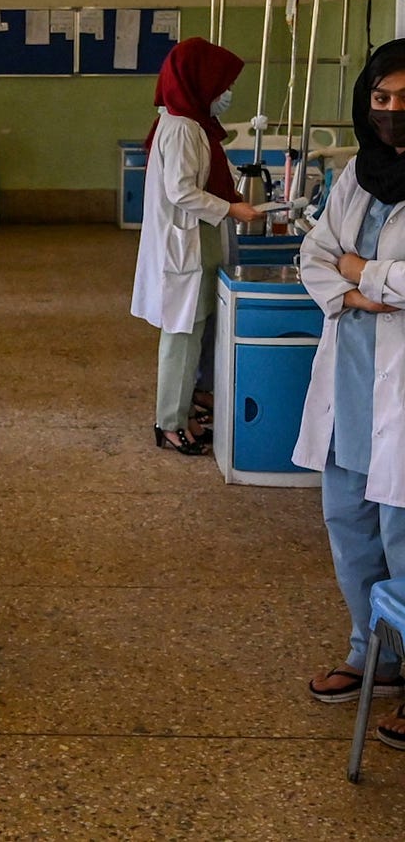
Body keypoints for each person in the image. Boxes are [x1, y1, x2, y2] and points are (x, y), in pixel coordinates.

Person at [293, 38, 405, 750]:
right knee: (351, 529)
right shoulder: (354, 178)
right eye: (382, 99)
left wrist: (363, 272)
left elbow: (355, 267)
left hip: (401, 401)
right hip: (352, 388)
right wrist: (366, 284)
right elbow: (314, 257)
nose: (392, 113)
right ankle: (374, 653)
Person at [130, 37, 263, 454]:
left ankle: (184, 406)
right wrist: (232, 209)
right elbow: (182, 192)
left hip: (191, 243)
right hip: (184, 246)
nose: (226, 95)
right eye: (222, 85)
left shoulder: (182, 120)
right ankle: (170, 423)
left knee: (192, 333)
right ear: (200, 80)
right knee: (182, 336)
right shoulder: (185, 128)